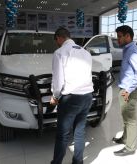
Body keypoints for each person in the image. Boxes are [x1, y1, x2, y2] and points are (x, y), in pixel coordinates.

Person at [50, 27, 94, 164]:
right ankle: (78, 161)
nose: (57, 43)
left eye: (56, 41)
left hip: (71, 99)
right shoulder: (85, 53)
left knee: (62, 135)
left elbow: (58, 80)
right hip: (87, 96)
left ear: (59, 38)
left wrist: (55, 96)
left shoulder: (60, 52)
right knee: (79, 132)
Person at [112, 25, 137, 156]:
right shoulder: (128, 49)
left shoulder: (132, 51)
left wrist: (128, 90)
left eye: (120, 37)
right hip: (126, 89)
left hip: (129, 91)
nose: (117, 39)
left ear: (128, 36)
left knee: (130, 119)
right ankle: (125, 138)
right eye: (117, 36)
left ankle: (130, 147)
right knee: (125, 117)